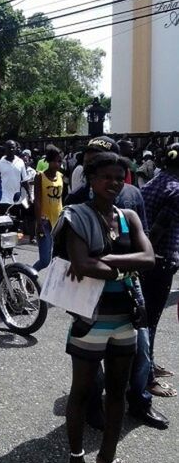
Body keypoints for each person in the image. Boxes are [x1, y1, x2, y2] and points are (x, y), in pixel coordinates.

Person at [53, 152, 154, 463]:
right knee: (81, 393)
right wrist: (126, 266)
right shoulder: (76, 217)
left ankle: (107, 458)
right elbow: (81, 263)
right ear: (91, 180)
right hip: (90, 320)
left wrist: (107, 262)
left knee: (118, 391)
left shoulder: (128, 217)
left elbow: (149, 259)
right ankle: (76, 461)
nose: (114, 182)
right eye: (106, 177)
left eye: (120, 177)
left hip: (125, 320)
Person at [66, 136, 168, 430]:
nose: (91, 162)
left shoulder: (133, 196)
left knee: (141, 346)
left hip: (130, 288)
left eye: (98, 156)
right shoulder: (76, 201)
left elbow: (146, 249)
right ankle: (95, 407)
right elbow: (72, 260)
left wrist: (114, 264)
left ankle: (140, 402)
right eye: (89, 159)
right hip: (88, 292)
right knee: (92, 357)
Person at [140, 143, 179, 398]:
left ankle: (149, 363)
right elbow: (158, 230)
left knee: (146, 320)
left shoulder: (154, 182)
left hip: (148, 260)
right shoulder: (176, 190)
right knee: (149, 322)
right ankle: (146, 377)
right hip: (159, 260)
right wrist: (148, 258)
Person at [33, 144, 63, 271]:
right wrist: (39, 223)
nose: (59, 164)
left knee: (59, 258)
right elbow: (38, 200)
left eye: (60, 161)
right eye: (56, 161)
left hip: (59, 221)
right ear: (49, 161)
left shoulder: (61, 176)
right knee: (45, 260)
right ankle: (29, 276)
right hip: (45, 222)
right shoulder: (40, 176)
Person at [0, 139, 31, 215]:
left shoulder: (20, 162)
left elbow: (25, 181)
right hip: (3, 200)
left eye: (13, 147)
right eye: (9, 148)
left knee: (16, 224)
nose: (11, 149)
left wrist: (30, 196)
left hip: (16, 200)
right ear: (6, 149)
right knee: (4, 224)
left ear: (16, 148)